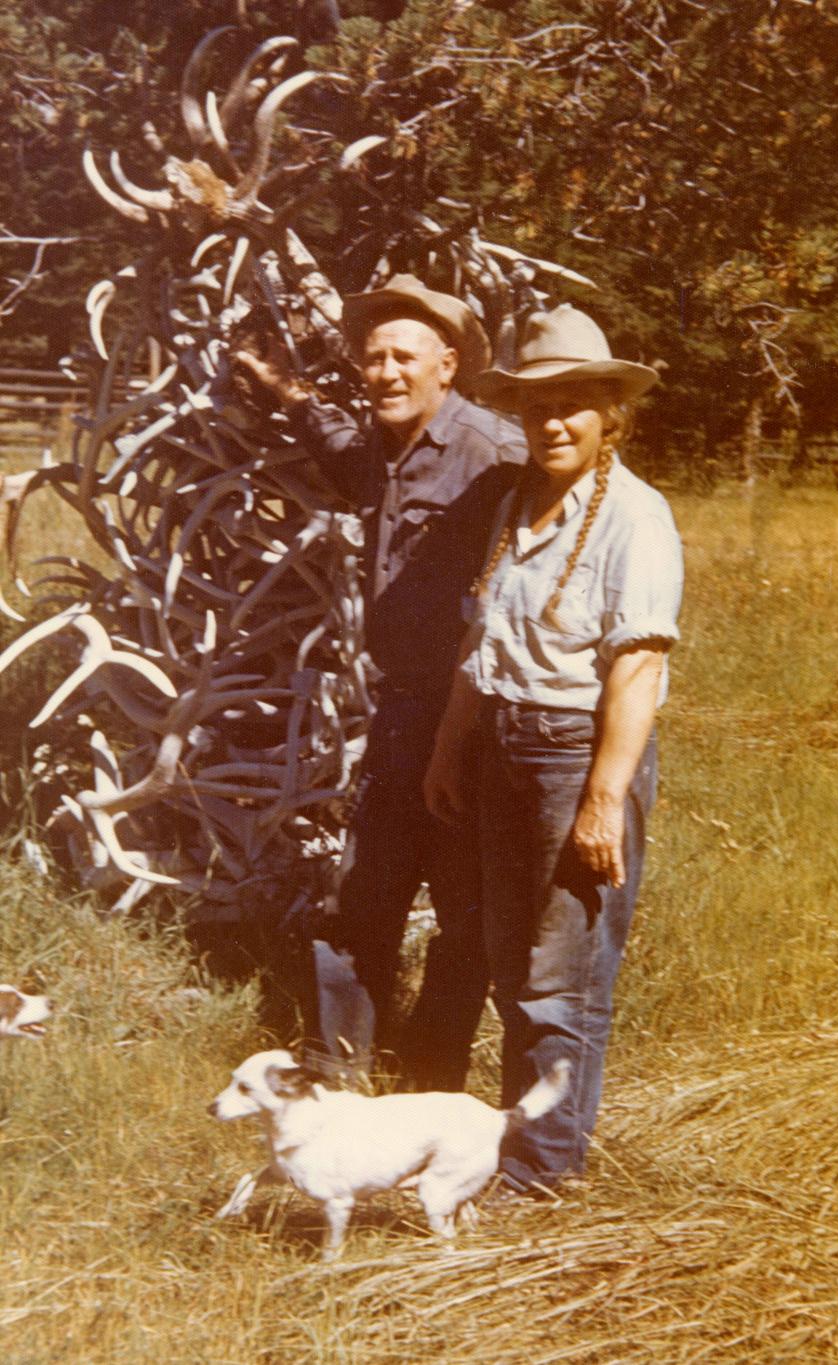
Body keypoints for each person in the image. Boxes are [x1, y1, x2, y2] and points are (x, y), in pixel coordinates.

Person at [235, 275, 526, 1090]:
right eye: (373, 359)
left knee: (465, 917)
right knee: (362, 899)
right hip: (400, 714)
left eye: (406, 357)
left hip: (474, 718)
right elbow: (336, 446)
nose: (387, 372)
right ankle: (336, 1078)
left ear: (449, 363)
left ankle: (429, 1085)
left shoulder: (495, 455)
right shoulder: (382, 448)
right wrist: (284, 389)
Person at [424, 304, 683, 1192]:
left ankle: (541, 1176)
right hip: (500, 741)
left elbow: (637, 666)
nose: (555, 422)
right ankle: (523, 1145)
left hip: (576, 754)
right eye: (537, 406)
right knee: (510, 962)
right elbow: (480, 642)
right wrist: (451, 747)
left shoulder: (634, 518)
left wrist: (604, 797)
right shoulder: (512, 502)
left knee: (560, 975)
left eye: (574, 404)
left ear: (612, 411)